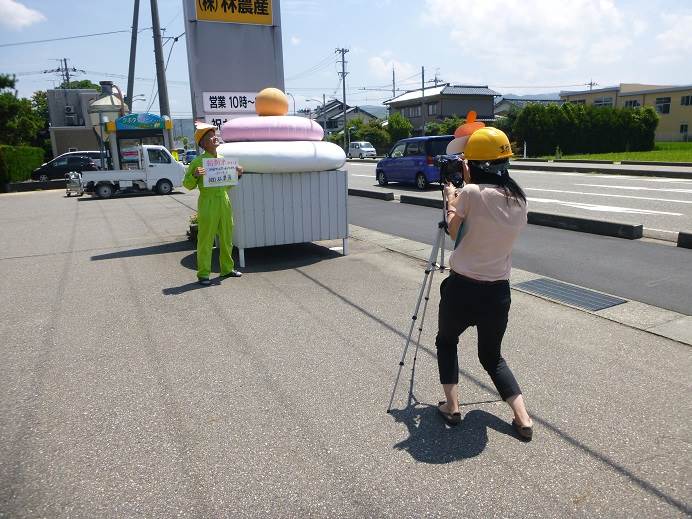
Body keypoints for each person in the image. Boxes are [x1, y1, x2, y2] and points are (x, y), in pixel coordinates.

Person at [435, 127, 534, 441]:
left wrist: (450, 198)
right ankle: (523, 418)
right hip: (498, 293)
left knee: (447, 341)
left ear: (473, 164)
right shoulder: (519, 200)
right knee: (492, 356)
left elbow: (453, 232)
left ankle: (452, 407)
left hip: (463, 289)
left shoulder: (472, 194)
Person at [183, 123, 243, 286]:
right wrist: (195, 175)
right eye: (210, 136)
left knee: (227, 237)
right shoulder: (198, 162)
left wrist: (238, 174)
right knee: (206, 239)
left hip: (224, 200)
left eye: (214, 134)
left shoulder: (224, 161)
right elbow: (187, 185)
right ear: (202, 143)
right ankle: (203, 274)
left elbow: (228, 185)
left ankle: (227, 268)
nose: (215, 137)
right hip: (208, 202)